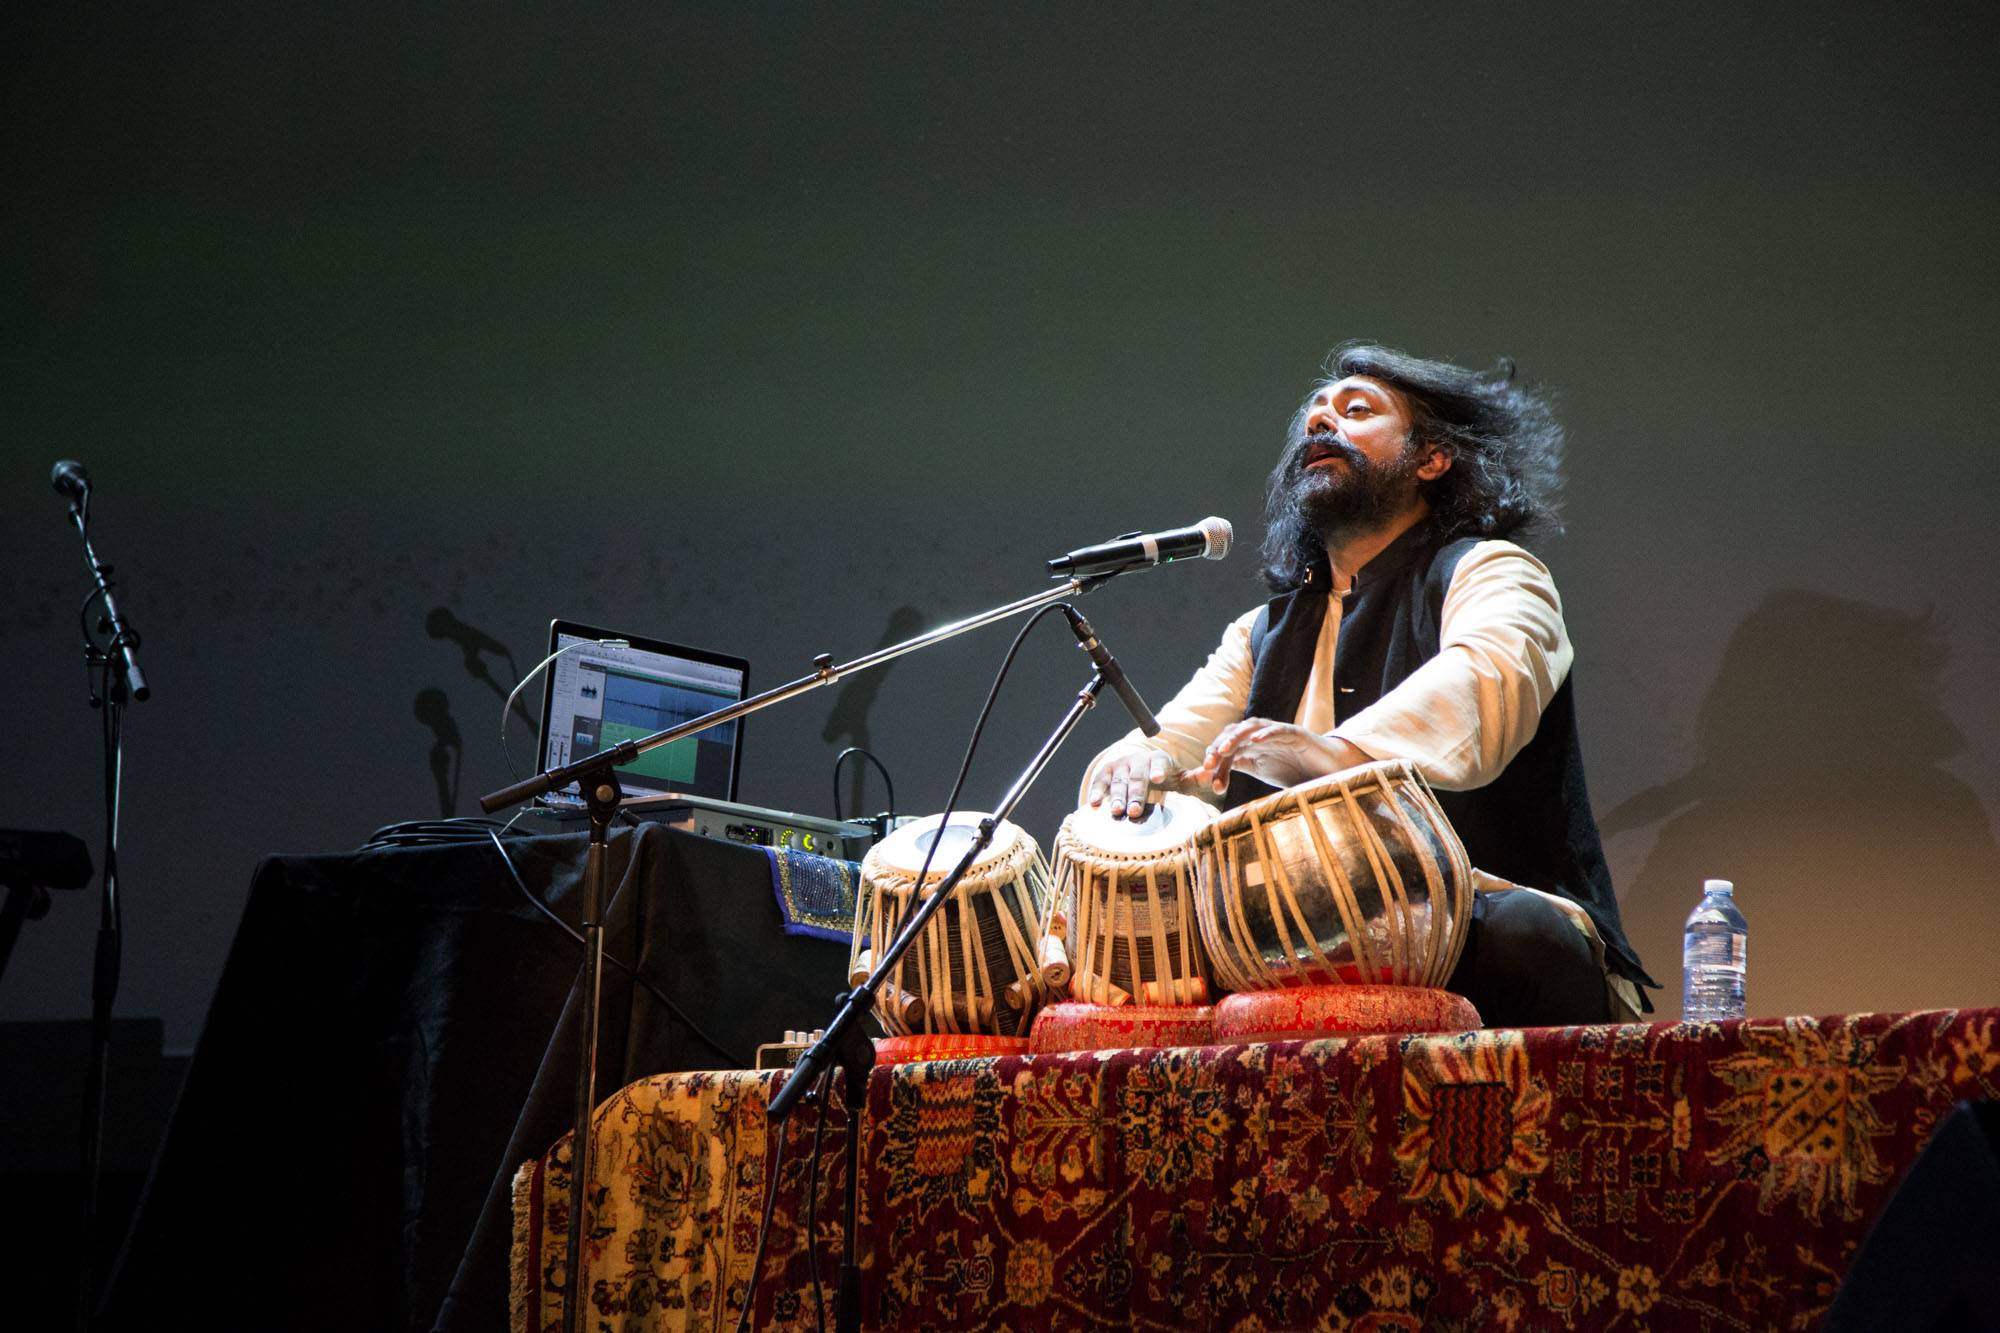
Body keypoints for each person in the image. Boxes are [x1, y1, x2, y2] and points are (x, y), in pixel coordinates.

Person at [1079, 343, 1656, 1025]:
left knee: (1526, 936)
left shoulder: (1492, 573)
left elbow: (1483, 687)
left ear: (1431, 459)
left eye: (1356, 411)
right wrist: (1131, 768)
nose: (1323, 424)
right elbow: (1172, 742)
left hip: (1489, 923)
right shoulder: (1260, 635)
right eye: (1314, 418)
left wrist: (1325, 755)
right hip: (1297, 941)